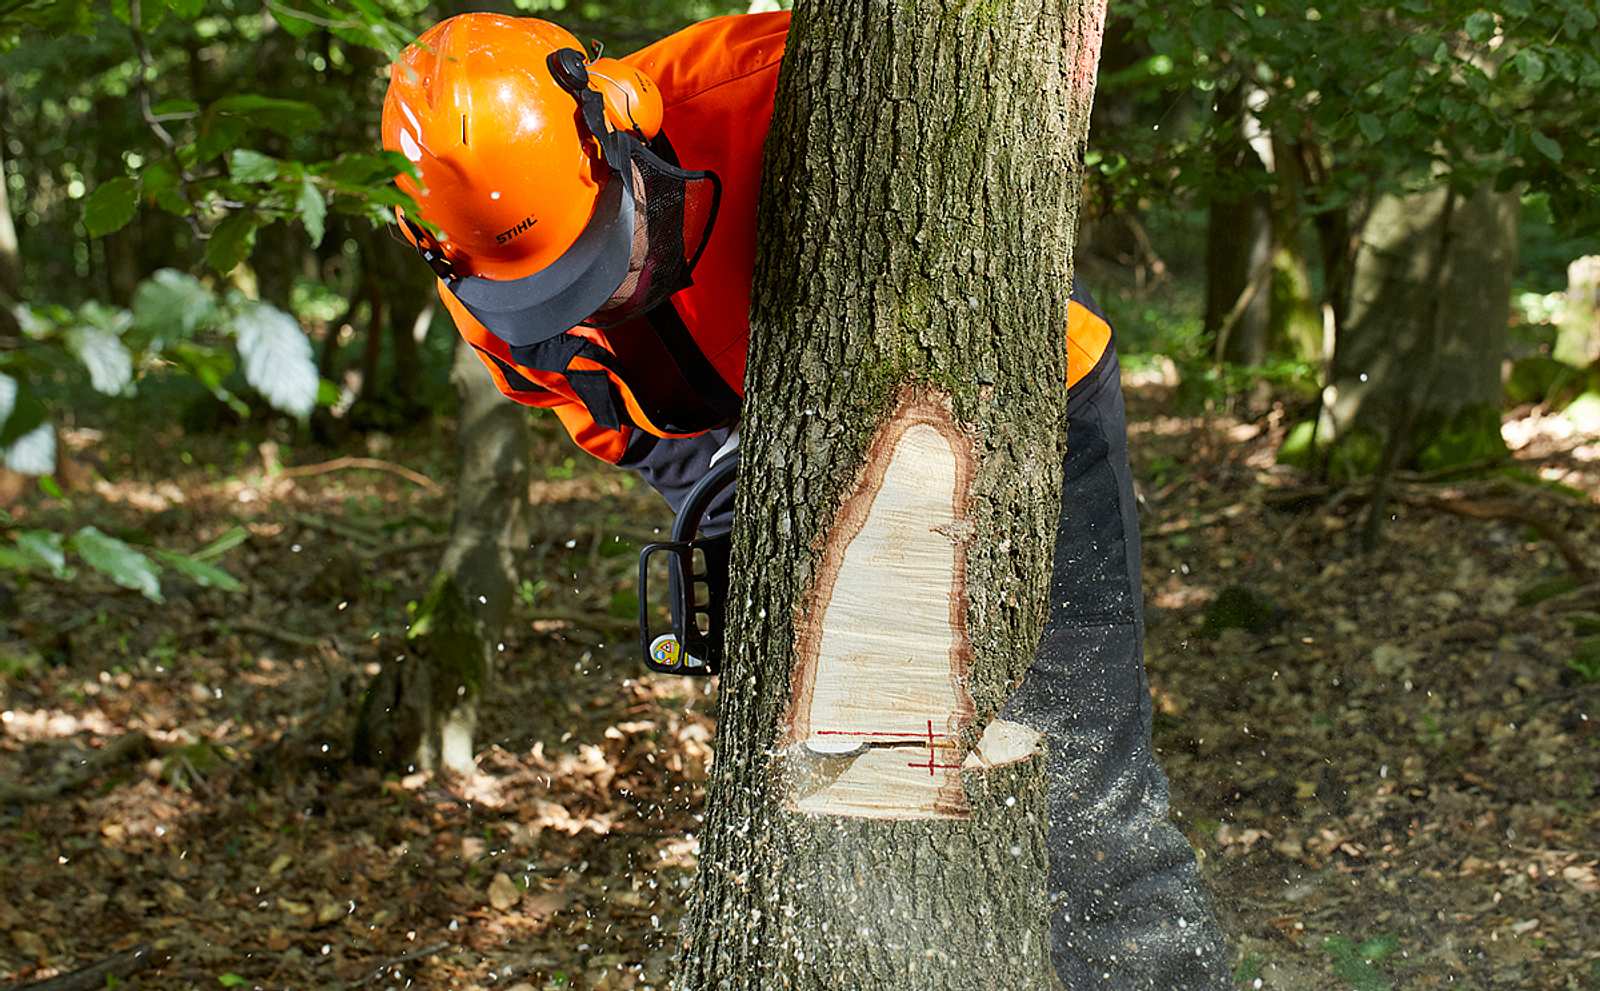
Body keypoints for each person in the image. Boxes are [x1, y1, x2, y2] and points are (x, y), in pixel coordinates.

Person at [381, 11, 1231, 988]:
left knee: (1082, 791)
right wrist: (724, 496)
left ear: (617, 126)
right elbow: (616, 423)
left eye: (596, 257)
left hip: (1029, 406)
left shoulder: (787, 89)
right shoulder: (491, 278)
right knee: (864, 799)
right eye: (554, 290)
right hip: (790, 457)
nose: (593, 300)